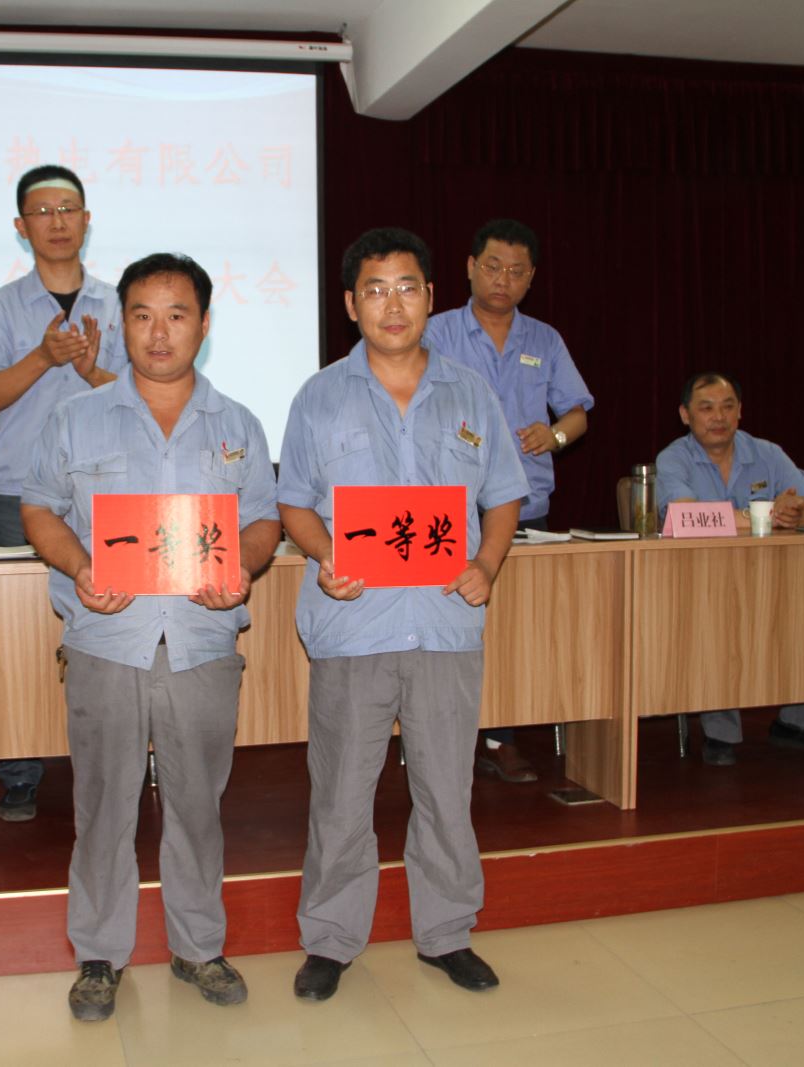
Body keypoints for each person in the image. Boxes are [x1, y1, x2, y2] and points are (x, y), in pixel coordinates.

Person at [21, 253, 280, 1022]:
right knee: (104, 804)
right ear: (120, 324)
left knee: (197, 803)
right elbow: (39, 508)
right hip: (107, 639)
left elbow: (262, 519)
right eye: (141, 315)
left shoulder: (238, 423)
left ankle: (199, 946)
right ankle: (99, 954)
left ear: (203, 323)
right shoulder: (75, 417)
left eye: (176, 314)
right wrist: (81, 564)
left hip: (201, 643)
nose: (158, 332)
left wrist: (243, 568)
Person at [277, 228, 529, 1001]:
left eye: (408, 287)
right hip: (353, 623)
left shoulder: (471, 392)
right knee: (341, 792)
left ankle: (447, 931)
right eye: (376, 289)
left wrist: (487, 563)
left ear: (431, 297)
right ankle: (330, 938)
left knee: (447, 788)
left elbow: (503, 494)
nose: (394, 304)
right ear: (351, 304)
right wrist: (326, 553)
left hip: (445, 623)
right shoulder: (320, 395)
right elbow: (294, 504)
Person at [0, 163, 128, 823]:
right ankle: (20, 773)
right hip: (17, 496)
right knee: (18, 639)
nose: (57, 222)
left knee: (109, 629)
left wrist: (91, 370)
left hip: (105, 497)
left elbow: (147, 397)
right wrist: (42, 357)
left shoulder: (121, 304)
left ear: (86, 220)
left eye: (68, 209)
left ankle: (112, 765)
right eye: (42, 211)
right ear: (20, 226)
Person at [427, 218, 593, 785]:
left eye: (516, 272)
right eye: (493, 267)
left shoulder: (544, 341)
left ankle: (501, 739)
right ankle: (447, 738)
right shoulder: (436, 332)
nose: (503, 280)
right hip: (449, 508)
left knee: (516, 628)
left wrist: (556, 435)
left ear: (531, 279)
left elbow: (576, 413)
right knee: (450, 623)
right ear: (470, 267)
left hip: (524, 505)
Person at [657, 371, 804, 766]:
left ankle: (798, 725)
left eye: (727, 407)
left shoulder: (767, 453)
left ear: (740, 412)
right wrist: (764, 514)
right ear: (686, 415)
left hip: (772, 576)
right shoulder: (673, 458)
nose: (718, 417)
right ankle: (721, 735)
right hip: (700, 579)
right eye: (706, 408)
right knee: (715, 619)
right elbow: (683, 516)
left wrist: (796, 512)